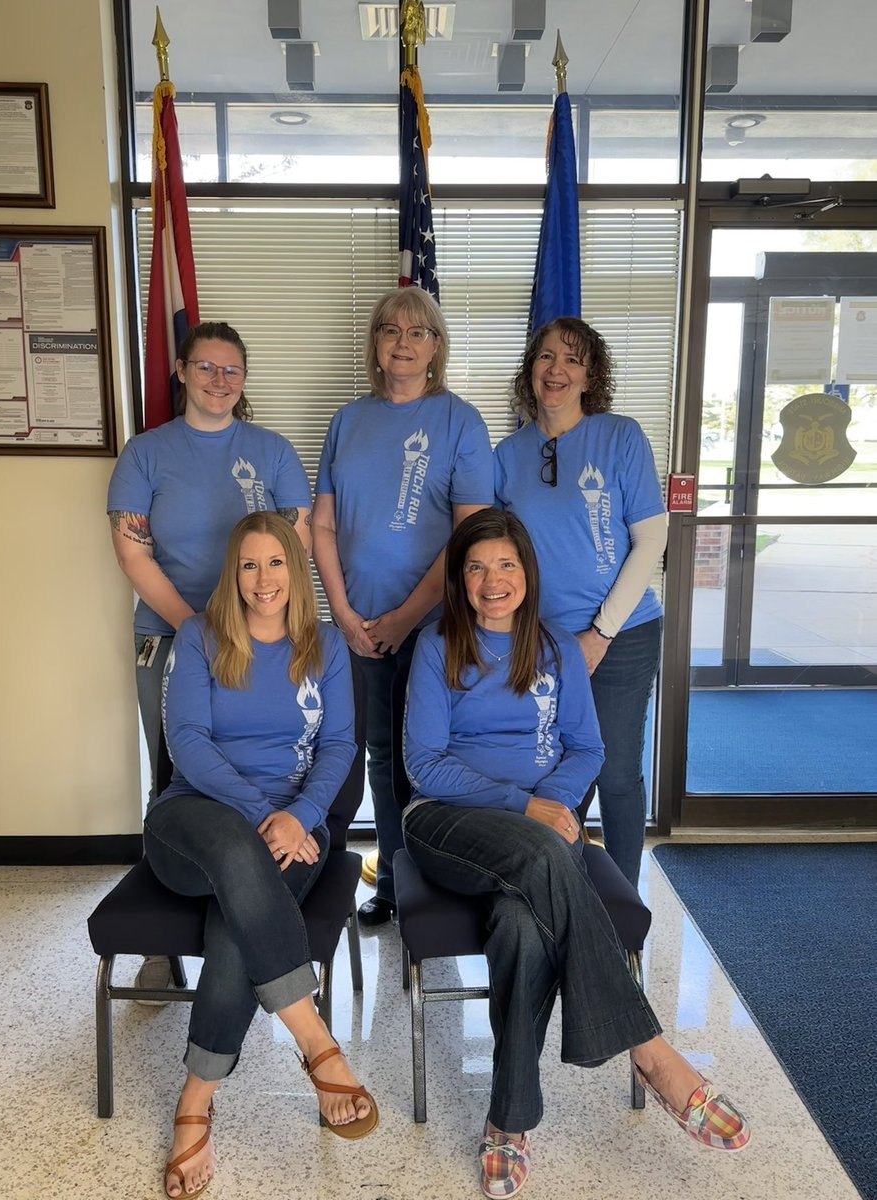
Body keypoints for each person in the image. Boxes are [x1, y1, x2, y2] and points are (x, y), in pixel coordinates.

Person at [402, 509, 748, 1200]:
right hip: (446, 824)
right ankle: (650, 1049)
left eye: (504, 565)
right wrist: (527, 806)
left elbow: (587, 749)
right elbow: (424, 763)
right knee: (540, 859)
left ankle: (508, 1123)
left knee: (522, 925)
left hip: (536, 839)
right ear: (459, 581)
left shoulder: (557, 647)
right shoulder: (437, 643)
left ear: (527, 572)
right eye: (476, 568)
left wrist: (555, 804)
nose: (491, 580)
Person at [146, 512, 377, 1199]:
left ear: (295, 569)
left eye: (275, 562)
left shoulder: (327, 646)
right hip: (195, 821)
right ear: (233, 574)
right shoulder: (199, 636)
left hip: (297, 832)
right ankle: (315, 1039)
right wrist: (261, 815)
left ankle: (194, 1104)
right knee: (236, 854)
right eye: (249, 565)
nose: (263, 578)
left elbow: (339, 747)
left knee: (235, 926)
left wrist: (301, 816)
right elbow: (186, 740)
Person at [108, 321, 312, 992]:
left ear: (244, 379)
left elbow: (294, 548)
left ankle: (243, 891)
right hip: (171, 635)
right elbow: (132, 551)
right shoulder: (146, 452)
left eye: (231, 370)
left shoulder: (273, 451)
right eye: (206, 367)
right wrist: (202, 628)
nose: (218, 380)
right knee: (173, 770)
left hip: (265, 635)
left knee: (265, 760)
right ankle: (160, 944)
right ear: (182, 372)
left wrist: (249, 624)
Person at [312, 286, 493, 926]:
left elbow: (468, 534)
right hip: (358, 627)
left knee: (435, 757)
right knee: (379, 756)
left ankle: (437, 876)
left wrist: (403, 619)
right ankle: (390, 877)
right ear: (376, 345)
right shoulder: (348, 421)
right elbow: (323, 527)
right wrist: (342, 612)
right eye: (391, 330)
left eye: (418, 332)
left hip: (436, 627)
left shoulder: (460, 421)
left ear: (436, 347)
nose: (403, 342)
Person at [494, 318, 668, 888]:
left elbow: (651, 540)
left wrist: (601, 632)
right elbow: (498, 552)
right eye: (546, 358)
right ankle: (558, 889)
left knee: (616, 772)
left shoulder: (621, 437)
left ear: (591, 375)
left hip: (623, 635)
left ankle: (621, 904)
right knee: (551, 773)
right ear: (531, 370)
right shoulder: (507, 454)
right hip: (538, 641)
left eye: (572, 359)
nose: (557, 370)